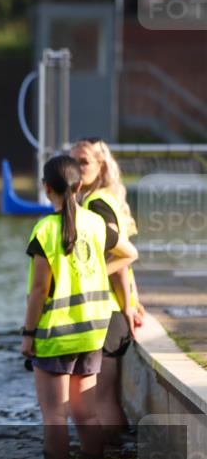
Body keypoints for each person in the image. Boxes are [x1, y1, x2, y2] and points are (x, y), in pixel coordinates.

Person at [20, 155, 137, 459]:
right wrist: (97, 272)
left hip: (56, 333)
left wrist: (28, 335)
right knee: (86, 414)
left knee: (55, 416)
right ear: (80, 185)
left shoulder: (44, 230)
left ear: (47, 188)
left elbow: (39, 291)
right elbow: (129, 252)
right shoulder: (96, 224)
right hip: (92, 332)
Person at [71, 137, 143, 441]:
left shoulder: (96, 203)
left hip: (108, 312)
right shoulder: (104, 198)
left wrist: (126, 304)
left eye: (84, 162)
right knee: (105, 400)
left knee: (103, 401)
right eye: (72, 161)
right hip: (113, 310)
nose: (77, 167)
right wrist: (132, 300)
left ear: (101, 166)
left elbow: (120, 256)